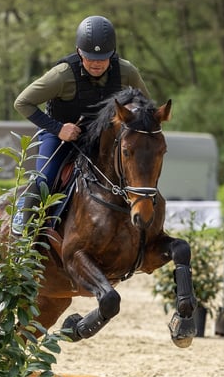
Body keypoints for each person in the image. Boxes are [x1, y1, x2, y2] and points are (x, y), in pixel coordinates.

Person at [12, 15, 150, 235]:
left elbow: (145, 107)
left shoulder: (127, 72)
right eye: (89, 57)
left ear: (112, 53)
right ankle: (22, 229)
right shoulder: (61, 75)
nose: (96, 63)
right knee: (45, 179)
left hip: (104, 139)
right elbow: (22, 102)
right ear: (78, 52)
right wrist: (58, 129)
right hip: (60, 136)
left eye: (103, 58)